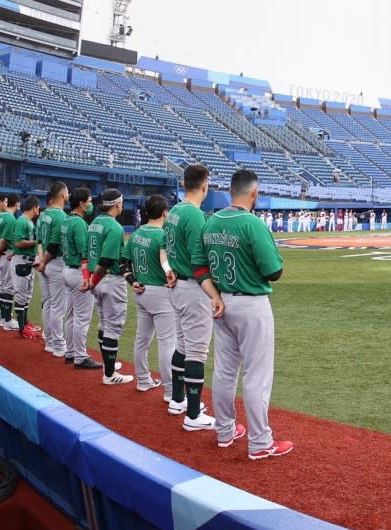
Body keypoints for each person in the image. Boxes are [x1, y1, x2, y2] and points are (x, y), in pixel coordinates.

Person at [203, 169, 291, 459]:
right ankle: (260, 441)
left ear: (231, 191)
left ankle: (225, 431)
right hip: (250, 302)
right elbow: (274, 271)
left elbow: (199, 265)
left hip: (220, 301)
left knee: (225, 371)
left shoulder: (211, 220)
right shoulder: (252, 224)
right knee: (257, 374)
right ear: (254, 193)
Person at [163, 164, 224, 430]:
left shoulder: (175, 210)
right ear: (204, 184)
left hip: (177, 285)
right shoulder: (195, 215)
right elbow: (203, 257)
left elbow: (165, 247)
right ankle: (193, 415)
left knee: (183, 346)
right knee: (197, 351)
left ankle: (178, 400)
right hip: (192, 286)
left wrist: (169, 269)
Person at [120, 193, 176, 391]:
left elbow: (122, 262)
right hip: (161, 292)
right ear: (163, 212)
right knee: (167, 342)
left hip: (141, 290)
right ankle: (171, 391)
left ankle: (143, 380)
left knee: (141, 340)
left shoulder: (136, 233)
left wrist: (131, 281)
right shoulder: (162, 235)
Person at [86, 188, 137, 384]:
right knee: (113, 327)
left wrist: (91, 280)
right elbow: (107, 259)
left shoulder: (94, 223)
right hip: (108, 279)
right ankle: (109, 375)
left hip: (96, 279)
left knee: (104, 323)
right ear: (117, 204)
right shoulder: (114, 227)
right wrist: (94, 280)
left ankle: (109, 363)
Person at [60, 187, 101, 369]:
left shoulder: (66, 220)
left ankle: (70, 352)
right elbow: (85, 253)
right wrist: (88, 276)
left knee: (71, 315)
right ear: (82, 203)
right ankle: (80, 356)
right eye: (90, 201)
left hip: (67, 269)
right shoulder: (79, 224)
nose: (91, 204)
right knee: (82, 318)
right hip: (78, 272)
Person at [36, 181, 69, 359]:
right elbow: (55, 245)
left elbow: (39, 240)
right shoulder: (61, 216)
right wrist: (45, 262)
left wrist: (41, 261)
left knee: (48, 302)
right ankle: (58, 344)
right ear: (63, 195)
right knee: (57, 305)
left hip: (44, 261)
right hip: (55, 262)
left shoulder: (43, 215)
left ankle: (49, 341)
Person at [9, 196, 42, 340]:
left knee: (27, 295)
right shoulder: (22, 221)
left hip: (27, 262)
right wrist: (35, 242)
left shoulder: (28, 221)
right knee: (21, 296)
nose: (39, 210)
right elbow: (18, 243)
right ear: (34, 207)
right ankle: (22, 328)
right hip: (21, 261)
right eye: (38, 207)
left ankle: (25, 323)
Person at [0, 194, 16, 329]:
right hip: (5, 253)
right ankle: (3, 316)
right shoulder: (9, 218)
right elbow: (3, 240)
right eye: (5, 201)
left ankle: (0, 314)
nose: (6, 203)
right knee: (5, 286)